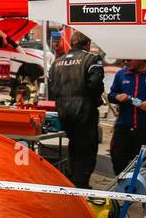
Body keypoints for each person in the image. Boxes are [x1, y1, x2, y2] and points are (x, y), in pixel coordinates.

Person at [45, 30, 105, 188]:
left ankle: (73, 181)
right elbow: (95, 85)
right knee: (87, 149)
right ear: (88, 44)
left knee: (74, 145)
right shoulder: (91, 58)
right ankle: (81, 186)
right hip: (84, 111)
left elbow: (51, 87)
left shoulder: (57, 62)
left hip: (63, 111)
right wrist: (96, 100)